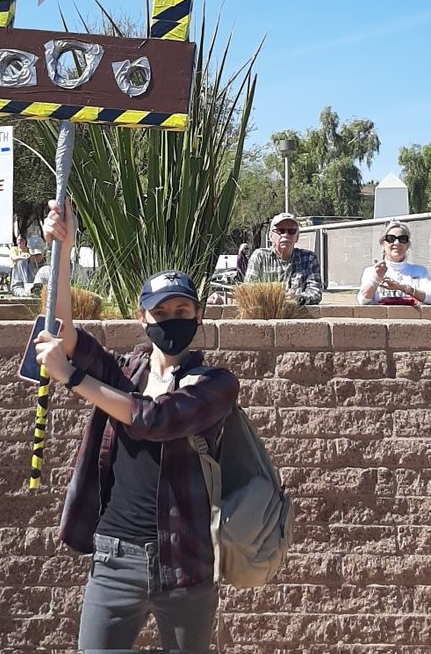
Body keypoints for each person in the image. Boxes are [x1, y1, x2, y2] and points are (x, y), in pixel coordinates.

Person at [34, 198, 239, 653]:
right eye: (161, 314)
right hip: (114, 558)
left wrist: (71, 378)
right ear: (142, 317)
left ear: (198, 316)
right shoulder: (126, 371)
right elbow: (65, 331)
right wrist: (63, 250)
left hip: (185, 563)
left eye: (182, 312)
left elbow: (155, 418)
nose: (172, 322)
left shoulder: (217, 383)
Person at [243, 212, 322, 305]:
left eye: (291, 231)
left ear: (297, 237)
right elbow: (248, 289)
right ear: (270, 236)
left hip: (297, 314)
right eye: (280, 230)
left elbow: (315, 292)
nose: (286, 235)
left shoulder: (309, 258)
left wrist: (298, 298)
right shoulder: (259, 256)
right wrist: (272, 293)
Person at [357, 220, 431, 305]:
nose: (397, 243)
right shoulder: (371, 271)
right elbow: (363, 300)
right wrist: (376, 278)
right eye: (391, 239)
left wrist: (402, 288)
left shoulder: (419, 271)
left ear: (408, 245)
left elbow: (429, 297)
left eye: (402, 239)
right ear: (382, 244)